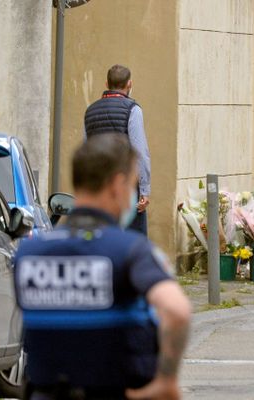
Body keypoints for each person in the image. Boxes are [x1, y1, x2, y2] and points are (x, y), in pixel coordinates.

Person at [14, 134, 191, 400]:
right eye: (133, 185)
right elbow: (177, 310)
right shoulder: (131, 251)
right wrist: (166, 381)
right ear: (118, 185)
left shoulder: (29, 253)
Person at [84, 64, 151, 235]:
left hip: (98, 188)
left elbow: (85, 152)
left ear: (106, 84)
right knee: (132, 243)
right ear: (129, 84)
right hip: (125, 186)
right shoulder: (132, 110)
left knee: (99, 238)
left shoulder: (90, 111)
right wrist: (144, 189)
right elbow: (139, 151)